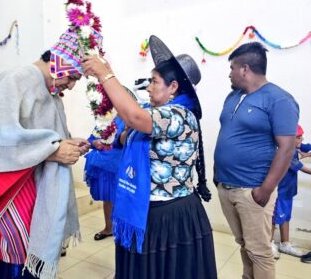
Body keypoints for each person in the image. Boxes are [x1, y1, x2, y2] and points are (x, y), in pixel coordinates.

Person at [0, 28, 95, 279]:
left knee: (31, 250)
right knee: (16, 253)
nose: (70, 86)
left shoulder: (50, 88)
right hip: (14, 187)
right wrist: (52, 151)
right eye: (71, 77)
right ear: (57, 62)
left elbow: (45, 135)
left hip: (35, 182)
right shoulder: (17, 79)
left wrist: (68, 143)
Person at [82, 35, 216, 279]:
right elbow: (126, 136)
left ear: (173, 87)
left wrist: (105, 75)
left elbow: (133, 120)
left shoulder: (178, 115)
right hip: (146, 209)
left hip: (167, 215)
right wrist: (118, 137)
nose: (149, 87)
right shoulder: (156, 114)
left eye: (154, 82)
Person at [214, 42, 299, 279]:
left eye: (232, 67)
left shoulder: (279, 99)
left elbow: (286, 148)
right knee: (244, 244)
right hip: (226, 185)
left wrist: (266, 189)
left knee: (260, 251)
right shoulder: (233, 96)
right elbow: (227, 134)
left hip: (253, 190)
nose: (229, 73)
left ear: (245, 69)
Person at [271, 125, 311, 259]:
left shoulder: (295, 146)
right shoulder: (284, 153)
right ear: (288, 139)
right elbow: (302, 167)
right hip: (280, 192)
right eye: (299, 137)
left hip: (289, 190)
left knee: (286, 217)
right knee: (274, 218)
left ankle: (284, 244)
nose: (302, 139)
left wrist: (307, 152)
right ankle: (269, 244)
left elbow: (306, 147)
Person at [84, 115, 125, 240]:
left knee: (122, 198)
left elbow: (125, 141)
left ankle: (123, 230)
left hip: (118, 164)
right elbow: (91, 139)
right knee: (107, 198)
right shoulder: (105, 119)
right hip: (101, 165)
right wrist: (94, 143)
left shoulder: (128, 119)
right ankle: (109, 228)